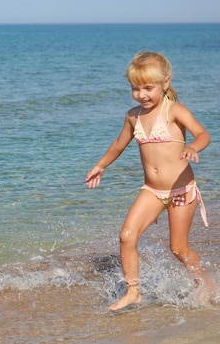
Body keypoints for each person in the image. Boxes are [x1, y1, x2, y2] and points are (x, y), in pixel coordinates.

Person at [85, 51, 212, 312]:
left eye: (148, 88)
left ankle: (206, 284)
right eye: (135, 88)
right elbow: (119, 144)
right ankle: (133, 292)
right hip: (152, 191)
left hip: (180, 190)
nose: (142, 94)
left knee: (178, 249)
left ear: (165, 83)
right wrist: (100, 165)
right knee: (127, 236)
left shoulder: (174, 110)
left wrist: (194, 148)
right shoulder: (133, 116)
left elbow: (202, 134)